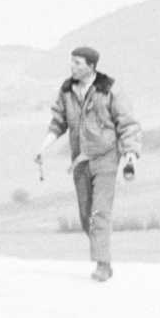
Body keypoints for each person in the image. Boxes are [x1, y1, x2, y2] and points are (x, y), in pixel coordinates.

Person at [36, 46, 141, 282]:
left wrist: (131, 153)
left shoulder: (111, 90)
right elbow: (58, 123)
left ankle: (103, 265)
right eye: (71, 62)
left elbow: (128, 125)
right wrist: (43, 147)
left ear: (91, 66)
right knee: (87, 217)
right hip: (80, 162)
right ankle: (103, 257)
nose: (72, 67)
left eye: (77, 63)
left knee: (99, 213)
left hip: (105, 159)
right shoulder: (67, 92)